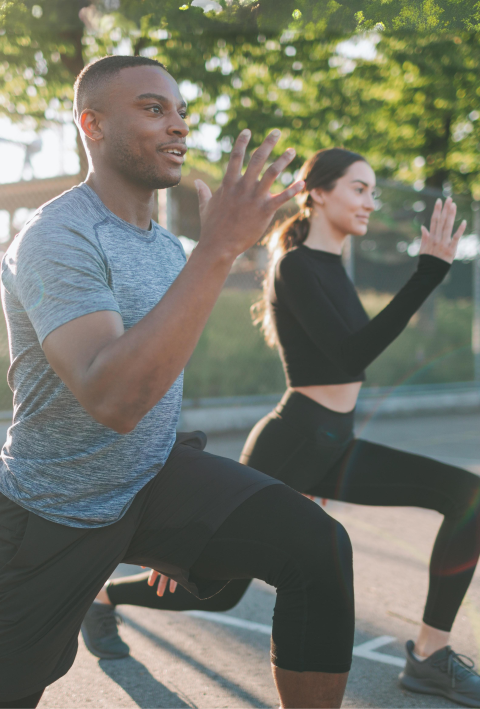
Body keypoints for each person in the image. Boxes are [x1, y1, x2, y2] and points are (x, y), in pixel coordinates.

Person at [0, 56, 361, 709]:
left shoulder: (169, 252)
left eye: (181, 111)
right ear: (92, 124)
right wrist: (218, 249)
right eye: (152, 108)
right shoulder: (56, 236)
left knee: (317, 547)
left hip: (151, 480)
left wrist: (179, 519)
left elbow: (162, 388)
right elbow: (113, 399)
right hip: (54, 507)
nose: (178, 127)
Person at [88, 148, 480, 709]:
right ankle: (102, 597)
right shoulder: (295, 266)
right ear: (318, 192)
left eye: (373, 190)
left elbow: (353, 359)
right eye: (359, 189)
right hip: (293, 442)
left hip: (335, 442)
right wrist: (428, 275)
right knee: (218, 591)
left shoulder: (333, 267)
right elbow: (352, 356)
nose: (371, 201)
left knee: (466, 495)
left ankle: (429, 655)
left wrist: (427, 276)